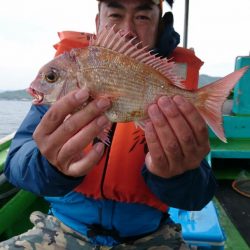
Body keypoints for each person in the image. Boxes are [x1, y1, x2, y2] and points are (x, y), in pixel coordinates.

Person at [1, 0, 216, 249]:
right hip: (64, 228)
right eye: (115, 14)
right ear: (97, 22)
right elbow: (16, 164)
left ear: (160, 24)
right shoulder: (59, 92)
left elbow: (200, 195)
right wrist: (49, 165)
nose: (127, 30)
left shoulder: (176, 96)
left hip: (150, 235)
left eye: (143, 17)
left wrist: (179, 176)